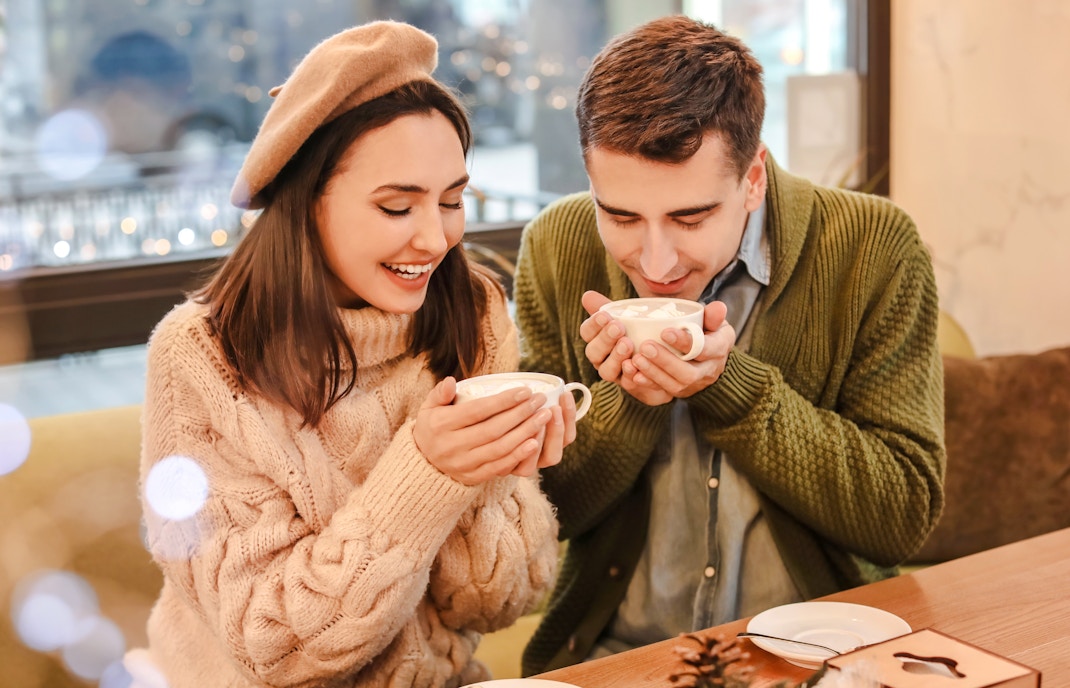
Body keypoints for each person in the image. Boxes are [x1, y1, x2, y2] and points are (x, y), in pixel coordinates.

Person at [124, 21, 569, 688]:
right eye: (397, 207)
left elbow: (501, 600)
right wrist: (426, 473)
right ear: (306, 204)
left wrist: (490, 479)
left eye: (452, 201)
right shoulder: (201, 359)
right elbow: (275, 650)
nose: (436, 238)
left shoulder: (470, 315)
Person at [516, 15, 945, 674]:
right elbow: (546, 517)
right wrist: (628, 400)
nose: (654, 261)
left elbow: (902, 515)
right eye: (621, 215)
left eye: (690, 217)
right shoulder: (556, 248)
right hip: (619, 659)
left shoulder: (874, 249)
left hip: (823, 661)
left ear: (753, 178)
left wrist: (729, 388)